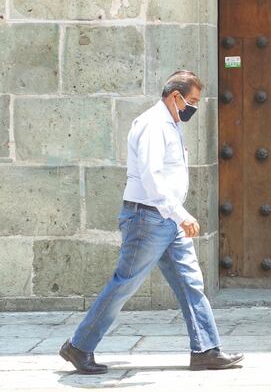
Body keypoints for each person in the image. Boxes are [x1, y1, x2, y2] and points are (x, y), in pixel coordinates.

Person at [60, 70, 243, 374]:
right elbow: (151, 176)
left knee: (190, 282)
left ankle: (206, 349)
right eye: (193, 101)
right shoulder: (153, 124)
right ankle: (79, 346)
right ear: (176, 96)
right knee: (125, 284)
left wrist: (175, 214)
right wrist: (181, 214)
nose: (194, 107)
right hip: (148, 218)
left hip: (165, 218)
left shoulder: (170, 123)